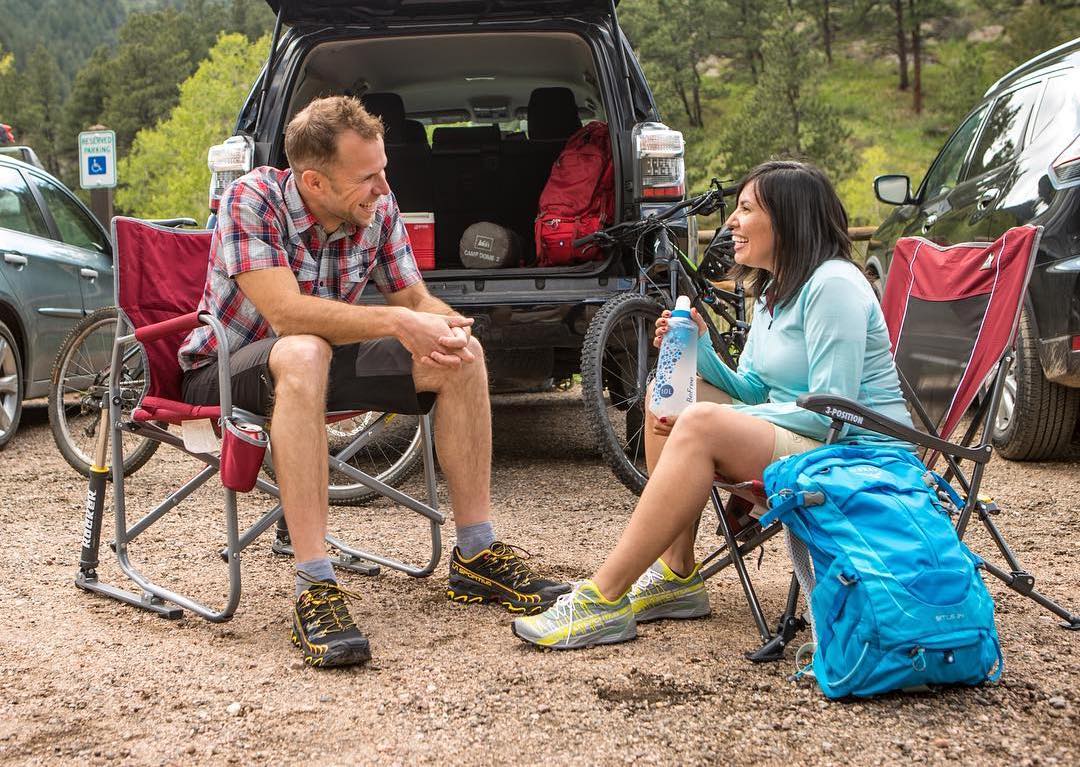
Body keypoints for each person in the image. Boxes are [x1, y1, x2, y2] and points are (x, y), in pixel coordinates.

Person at [178, 96, 566, 668]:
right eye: (368, 176)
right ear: (314, 180)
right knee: (305, 350)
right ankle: (314, 584)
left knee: (463, 356)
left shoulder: (375, 208)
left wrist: (443, 325)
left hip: (323, 364)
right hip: (227, 371)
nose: (384, 187)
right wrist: (398, 321)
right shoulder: (251, 198)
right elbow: (287, 314)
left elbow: (414, 299)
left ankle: (476, 554)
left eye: (383, 170)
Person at [512, 159, 914, 649]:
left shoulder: (833, 285)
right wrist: (698, 348)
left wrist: (720, 419)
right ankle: (679, 574)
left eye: (746, 209)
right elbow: (754, 388)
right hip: (809, 436)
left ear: (787, 218)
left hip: (860, 452)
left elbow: (833, 412)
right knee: (676, 391)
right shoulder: (774, 292)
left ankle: (603, 598)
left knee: (699, 422)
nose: (731, 222)